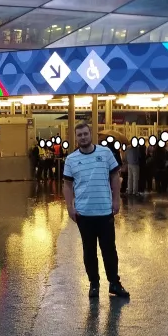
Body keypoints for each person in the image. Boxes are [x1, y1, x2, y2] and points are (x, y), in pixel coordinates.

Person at [63, 122, 129, 300]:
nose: (83, 137)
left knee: (109, 250)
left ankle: (114, 283)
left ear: (90, 134)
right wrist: (70, 207)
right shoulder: (71, 160)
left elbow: (115, 176)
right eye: (79, 135)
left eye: (85, 134)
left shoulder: (105, 153)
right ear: (76, 138)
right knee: (89, 251)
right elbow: (67, 185)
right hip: (84, 215)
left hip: (105, 212)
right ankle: (94, 284)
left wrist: (116, 199)